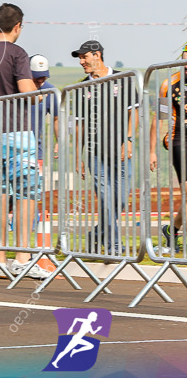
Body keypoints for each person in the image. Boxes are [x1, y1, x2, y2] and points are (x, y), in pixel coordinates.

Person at [0, 3, 51, 280]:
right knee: (27, 194)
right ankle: (23, 257)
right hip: (17, 132)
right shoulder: (17, 52)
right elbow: (27, 91)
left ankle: (0, 261)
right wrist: (40, 96)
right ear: (18, 27)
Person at [71, 40, 139, 254]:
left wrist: (128, 140)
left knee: (119, 199)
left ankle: (97, 233)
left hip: (121, 150)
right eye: (80, 58)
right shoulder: (82, 87)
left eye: (84, 57)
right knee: (106, 198)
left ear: (97, 55)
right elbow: (80, 125)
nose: (82, 62)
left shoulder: (123, 79)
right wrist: (77, 156)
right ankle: (114, 246)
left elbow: (134, 113)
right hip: (94, 153)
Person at [149, 42, 187, 252]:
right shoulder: (169, 84)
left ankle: (172, 230)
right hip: (180, 139)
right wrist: (152, 150)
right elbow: (159, 118)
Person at [28, 54, 60, 167]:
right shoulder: (15, 88)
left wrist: (59, 141)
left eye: (44, 78)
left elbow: (57, 118)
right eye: (36, 78)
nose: (40, 81)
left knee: (35, 184)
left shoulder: (50, 91)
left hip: (36, 151)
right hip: (12, 149)